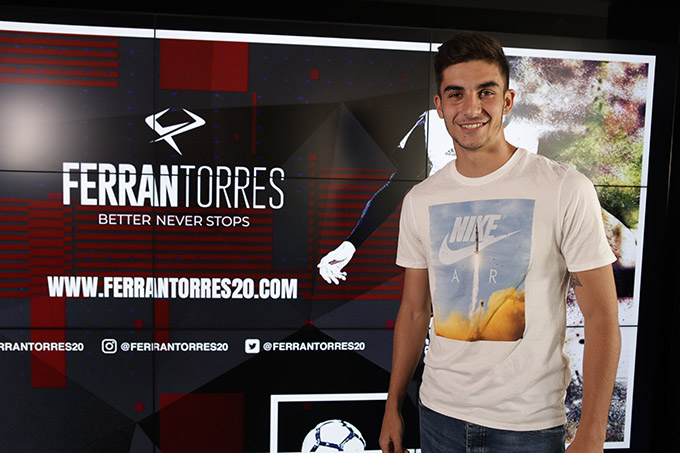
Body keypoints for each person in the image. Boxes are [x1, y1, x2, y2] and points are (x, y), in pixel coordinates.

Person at [378, 32, 621, 452]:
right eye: (456, 94)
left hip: (527, 427)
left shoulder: (565, 188)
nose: (471, 108)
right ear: (439, 106)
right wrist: (392, 405)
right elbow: (415, 311)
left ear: (507, 101)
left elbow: (601, 316)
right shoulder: (420, 200)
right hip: (437, 417)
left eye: (485, 92)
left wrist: (593, 433)